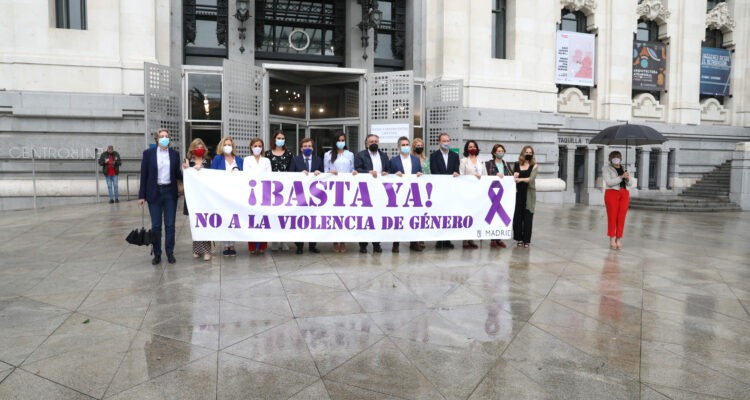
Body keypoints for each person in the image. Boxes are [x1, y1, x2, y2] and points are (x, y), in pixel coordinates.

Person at [138, 129, 182, 265]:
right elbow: (144, 175)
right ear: (157, 139)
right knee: (156, 225)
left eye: (166, 136)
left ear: (169, 139)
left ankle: (170, 252)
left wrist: (186, 170)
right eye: (162, 136)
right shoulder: (148, 154)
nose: (164, 138)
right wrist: (142, 195)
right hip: (154, 192)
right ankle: (157, 253)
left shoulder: (174, 154)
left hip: (170, 192)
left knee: (170, 225)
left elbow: (177, 174)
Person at [354, 134, 391, 254]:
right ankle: (363, 245)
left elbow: (388, 169)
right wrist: (368, 172)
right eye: (371, 142)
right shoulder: (360, 155)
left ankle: (376, 244)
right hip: (366, 190)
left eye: (376, 141)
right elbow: (357, 169)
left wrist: (386, 173)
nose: (374, 143)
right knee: (365, 217)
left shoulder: (384, 155)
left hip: (380, 191)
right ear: (366, 144)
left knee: (377, 217)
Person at [324, 131, 357, 253]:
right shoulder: (328, 154)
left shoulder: (350, 154)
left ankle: (343, 241)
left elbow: (352, 169)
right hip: (333, 189)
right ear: (335, 142)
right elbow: (325, 171)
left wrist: (354, 172)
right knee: (334, 215)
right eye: (339, 140)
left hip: (347, 189)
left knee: (345, 215)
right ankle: (335, 240)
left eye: (343, 140)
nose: (341, 142)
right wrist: (330, 173)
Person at [289, 138, 323, 254]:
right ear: (301, 148)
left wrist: (319, 173)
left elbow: (324, 175)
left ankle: (312, 245)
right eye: (305, 146)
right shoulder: (295, 160)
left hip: (315, 195)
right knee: (299, 220)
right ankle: (299, 246)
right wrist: (299, 175)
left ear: (312, 148)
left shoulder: (318, 160)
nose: (307, 148)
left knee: (313, 220)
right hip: (299, 195)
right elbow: (289, 174)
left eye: (309, 146)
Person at [389, 136, 423, 253]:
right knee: (398, 218)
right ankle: (396, 244)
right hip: (399, 194)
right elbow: (388, 176)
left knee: (413, 217)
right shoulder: (393, 161)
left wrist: (419, 174)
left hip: (413, 193)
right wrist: (394, 174)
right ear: (398, 147)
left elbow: (420, 172)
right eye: (403, 145)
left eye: (407, 144)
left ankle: (414, 243)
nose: (405, 147)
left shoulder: (416, 160)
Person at [211, 136, 244, 256]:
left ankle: (232, 244)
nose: (227, 147)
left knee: (234, 219)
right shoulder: (217, 159)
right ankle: (226, 245)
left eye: (229, 145)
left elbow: (245, 175)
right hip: (222, 193)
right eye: (225, 145)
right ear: (221, 146)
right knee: (225, 218)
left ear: (233, 146)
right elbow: (212, 174)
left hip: (236, 194)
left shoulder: (239, 160)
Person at [182, 138, 212, 261]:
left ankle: (207, 251)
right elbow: (183, 177)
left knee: (206, 223)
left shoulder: (208, 161)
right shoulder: (187, 161)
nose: (199, 149)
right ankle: (197, 250)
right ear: (192, 149)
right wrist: (185, 169)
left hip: (205, 198)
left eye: (201, 147)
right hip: (193, 197)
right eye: (196, 147)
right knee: (196, 224)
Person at [430, 133, 460, 249]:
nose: (446, 143)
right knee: (439, 214)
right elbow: (434, 171)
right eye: (443, 141)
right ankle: (439, 239)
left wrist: (456, 174)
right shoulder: (434, 156)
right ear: (439, 143)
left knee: (449, 214)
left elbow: (456, 170)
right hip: (439, 189)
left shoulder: (454, 156)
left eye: (448, 140)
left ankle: (447, 239)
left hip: (451, 190)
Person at [266, 130, 293, 252]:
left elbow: (292, 171)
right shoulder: (267, 154)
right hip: (271, 190)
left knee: (284, 215)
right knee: (273, 215)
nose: (280, 140)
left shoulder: (289, 154)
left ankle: (284, 240)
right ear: (274, 139)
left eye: (282, 138)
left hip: (285, 189)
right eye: (278, 138)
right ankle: (274, 241)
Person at [245, 138, 272, 255]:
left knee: (263, 219)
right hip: (251, 192)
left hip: (264, 192)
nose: (257, 148)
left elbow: (269, 175)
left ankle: (262, 245)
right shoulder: (247, 160)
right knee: (252, 219)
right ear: (251, 147)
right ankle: (252, 246)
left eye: (260, 146)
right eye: (255, 146)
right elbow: (247, 174)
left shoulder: (266, 160)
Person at [459, 140, 486, 249]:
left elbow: (485, 175)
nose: (472, 148)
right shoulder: (464, 161)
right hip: (468, 191)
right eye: (470, 147)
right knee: (467, 215)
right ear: (467, 149)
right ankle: (465, 240)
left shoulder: (481, 161)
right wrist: (473, 176)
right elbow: (461, 175)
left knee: (476, 215)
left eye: (474, 146)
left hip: (479, 192)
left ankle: (472, 238)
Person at [603, 151, 633, 249]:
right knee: (612, 216)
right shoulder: (606, 168)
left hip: (624, 193)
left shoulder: (624, 168)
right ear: (610, 159)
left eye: (618, 157)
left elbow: (630, 183)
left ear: (620, 158)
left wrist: (627, 178)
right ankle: (612, 238)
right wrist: (621, 177)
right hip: (612, 193)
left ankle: (618, 238)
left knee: (621, 217)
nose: (616, 159)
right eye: (614, 157)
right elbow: (609, 182)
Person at [485, 144, 513, 249]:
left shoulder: (506, 164)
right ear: (494, 153)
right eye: (498, 151)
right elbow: (486, 175)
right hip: (493, 192)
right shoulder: (489, 164)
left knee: (501, 215)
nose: (500, 152)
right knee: (494, 215)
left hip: (504, 193)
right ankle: (493, 239)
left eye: (502, 151)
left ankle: (499, 238)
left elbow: (510, 175)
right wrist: (495, 174)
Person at [513, 146, 538, 248]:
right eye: (526, 152)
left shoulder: (534, 165)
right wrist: (514, 175)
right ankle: (519, 238)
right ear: (523, 153)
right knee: (517, 217)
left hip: (529, 194)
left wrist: (520, 179)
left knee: (528, 217)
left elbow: (531, 179)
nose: (528, 154)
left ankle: (526, 240)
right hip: (518, 194)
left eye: (530, 152)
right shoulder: (516, 164)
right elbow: (513, 177)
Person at [412, 138, 429, 250]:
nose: (420, 147)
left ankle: (422, 238)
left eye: (421, 145)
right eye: (417, 145)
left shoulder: (427, 159)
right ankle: (414, 240)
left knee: (424, 214)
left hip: (425, 190)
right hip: (414, 190)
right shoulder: (411, 159)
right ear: (414, 147)